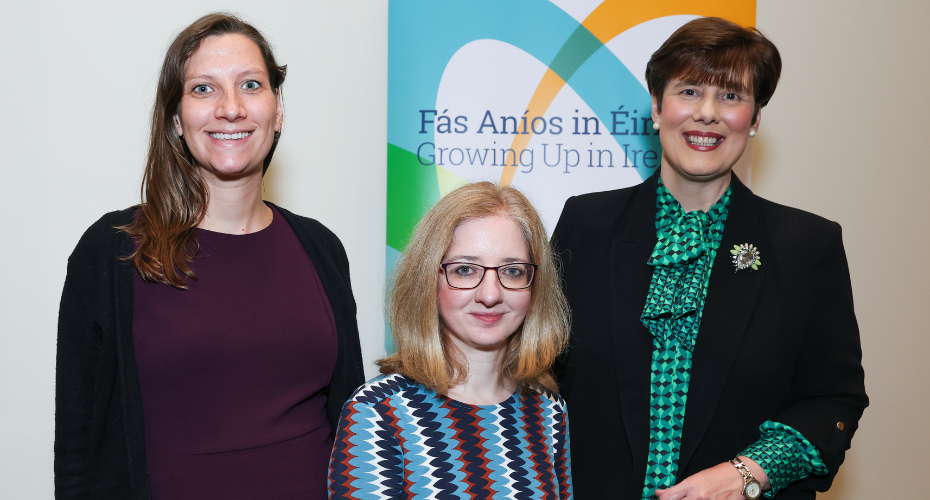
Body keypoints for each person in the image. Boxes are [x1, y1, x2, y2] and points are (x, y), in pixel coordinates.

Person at [552, 17, 867, 500]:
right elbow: (532, 371)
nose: (707, 113)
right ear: (657, 108)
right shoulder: (585, 224)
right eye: (690, 91)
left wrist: (746, 473)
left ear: (756, 119)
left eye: (732, 96)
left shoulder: (807, 245)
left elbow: (833, 398)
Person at [54, 13, 364, 500]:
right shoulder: (112, 251)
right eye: (203, 89)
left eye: (251, 84)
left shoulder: (321, 249)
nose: (231, 108)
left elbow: (353, 429)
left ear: (277, 109)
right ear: (176, 119)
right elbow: (77, 446)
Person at [328, 182, 572, 499]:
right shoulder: (379, 411)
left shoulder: (548, 411)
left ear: (534, 286)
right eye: (465, 270)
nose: (490, 294)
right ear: (429, 280)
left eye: (512, 271)